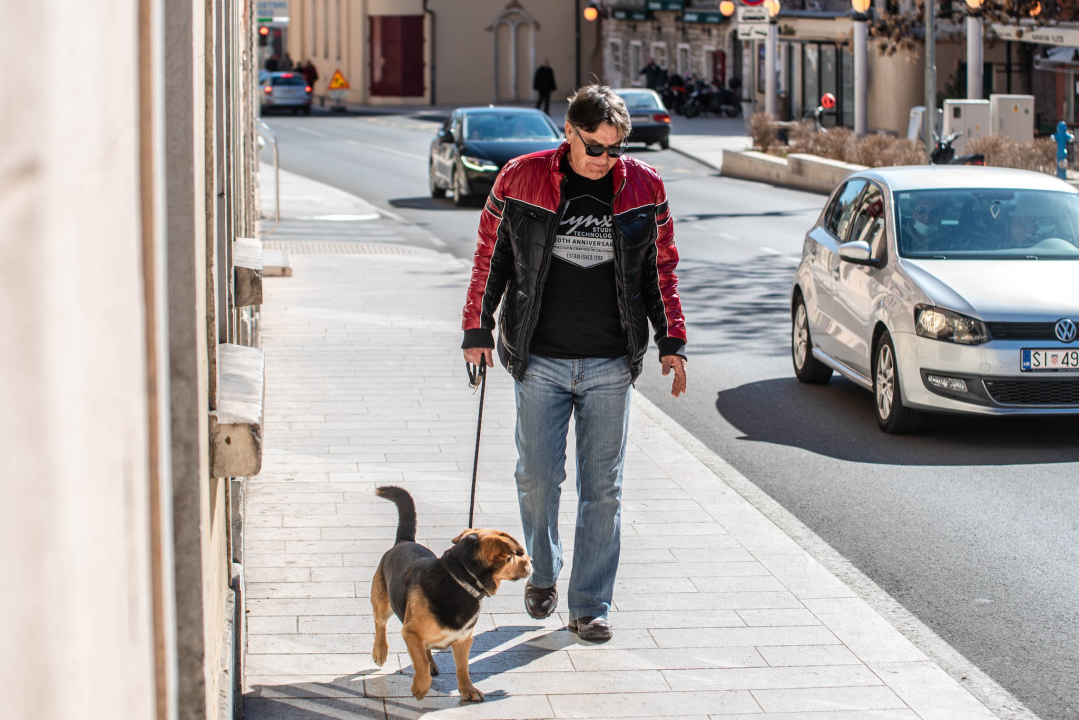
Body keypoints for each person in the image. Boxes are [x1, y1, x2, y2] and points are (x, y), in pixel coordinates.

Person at [460, 85, 688, 641]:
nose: (604, 159)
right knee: (537, 479)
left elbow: (660, 268)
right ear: (569, 132)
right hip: (539, 359)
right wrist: (477, 327)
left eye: (615, 149)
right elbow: (491, 255)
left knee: (602, 489)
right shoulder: (521, 177)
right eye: (594, 147)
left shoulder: (645, 186)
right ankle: (541, 571)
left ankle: (590, 604)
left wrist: (672, 340)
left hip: (611, 363)